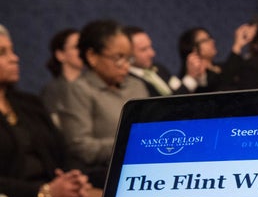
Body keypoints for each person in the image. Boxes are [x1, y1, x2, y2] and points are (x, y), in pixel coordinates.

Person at [0, 24, 91, 197]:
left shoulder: (29, 103)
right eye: (3, 53)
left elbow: (63, 149)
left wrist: (75, 178)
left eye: (13, 51)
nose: (14, 57)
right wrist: (44, 192)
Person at [58, 19, 149, 187]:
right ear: (92, 56)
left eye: (129, 58)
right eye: (118, 58)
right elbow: (81, 147)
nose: (126, 67)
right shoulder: (79, 90)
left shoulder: (137, 86)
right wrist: (130, 141)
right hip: (104, 175)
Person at [125, 26, 190, 96]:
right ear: (128, 53)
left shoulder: (159, 68)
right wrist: (191, 78)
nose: (152, 53)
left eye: (150, 46)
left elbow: (180, 90)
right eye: (144, 49)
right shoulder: (128, 81)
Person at [41, 28, 83, 117]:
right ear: (60, 55)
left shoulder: (93, 85)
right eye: (76, 47)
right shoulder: (52, 90)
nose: (82, 51)